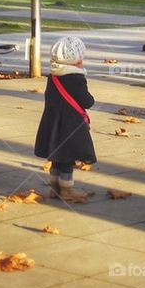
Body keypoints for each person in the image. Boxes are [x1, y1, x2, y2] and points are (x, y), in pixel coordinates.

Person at [34, 36, 96, 202]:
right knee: (68, 159)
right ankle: (67, 190)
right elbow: (86, 101)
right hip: (70, 125)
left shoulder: (53, 76)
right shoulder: (76, 78)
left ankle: (55, 188)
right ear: (76, 60)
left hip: (53, 122)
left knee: (57, 158)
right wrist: (91, 99)